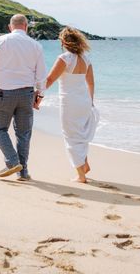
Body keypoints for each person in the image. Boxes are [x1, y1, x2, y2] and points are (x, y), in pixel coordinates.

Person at [0, 14, 46, 181]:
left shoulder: (1, 41)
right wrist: (41, 94)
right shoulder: (36, 45)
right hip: (27, 94)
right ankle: (22, 172)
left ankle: (12, 161)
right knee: (24, 133)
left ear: (10, 27)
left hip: (5, 93)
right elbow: (41, 74)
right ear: (26, 26)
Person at [45, 26, 97, 183]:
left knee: (70, 136)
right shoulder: (86, 60)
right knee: (80, 135)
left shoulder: (64, 59)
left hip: (70, 103)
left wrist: (37, 94)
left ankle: (81, 175)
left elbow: (49, 80)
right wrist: (91, 102)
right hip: (84, 102)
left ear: (64, 42)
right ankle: (84, 164)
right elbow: (91, 84)